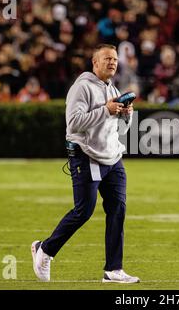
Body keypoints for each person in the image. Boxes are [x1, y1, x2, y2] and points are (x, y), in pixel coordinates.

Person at [31, 44, 139, 284]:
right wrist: (107, 110)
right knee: (83, 211)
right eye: (107, 58)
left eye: (114, 59)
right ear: (95, 62)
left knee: (118, 210)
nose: (112, 62)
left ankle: (113, 269)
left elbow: (120, 129)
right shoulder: (81, 87)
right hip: (87, 156)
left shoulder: (112, 87)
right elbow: (74, 124)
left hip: (113, 158)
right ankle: (45, 249)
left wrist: (126, 114)